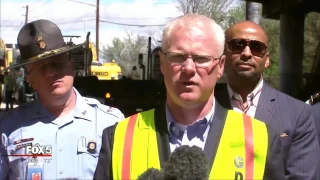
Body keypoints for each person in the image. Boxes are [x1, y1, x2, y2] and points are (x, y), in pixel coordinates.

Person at [94, 14, 285, 180]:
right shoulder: (119, 137)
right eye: (177, 57)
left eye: (201, 59)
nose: (188, 68)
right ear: (162, 63)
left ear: (220, 66)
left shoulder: (261, 138)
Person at [0, 19, 125, 179]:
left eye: (57, 63)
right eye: (41, 67)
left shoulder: (110, 122)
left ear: (72, 68)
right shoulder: (7, 129)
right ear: (29, 79)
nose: (52, 72)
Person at [214, 20, 320, 180]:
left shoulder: (299, 114)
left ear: (267, 60)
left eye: (257, 47)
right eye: (237, 45)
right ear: (224, 55)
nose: (247, 53)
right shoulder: (201, 105)